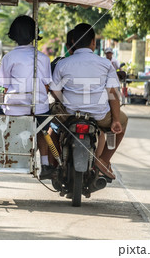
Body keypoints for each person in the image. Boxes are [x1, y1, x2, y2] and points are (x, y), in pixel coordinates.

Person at [50, 23, 128, 180]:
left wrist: (64, 101)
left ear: (73, 41)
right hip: (98, 115)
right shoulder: (105, 64)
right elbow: (113, 94)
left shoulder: (63, 63)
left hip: (69, 114)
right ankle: (104, 161)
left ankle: (54, 164)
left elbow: (55, 90)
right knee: (124, 121)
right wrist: (116, 121)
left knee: (49, 124)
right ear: (93, 42)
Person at [0, 15, 54, 179]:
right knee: (43, 131)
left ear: (13, 34)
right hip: (38, 108)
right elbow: (46, 85)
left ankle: (8, 156)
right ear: (34, 35)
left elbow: (4, 87)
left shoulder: (8, 58)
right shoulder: (43, 58)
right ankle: (45, 164)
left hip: (14, 108)